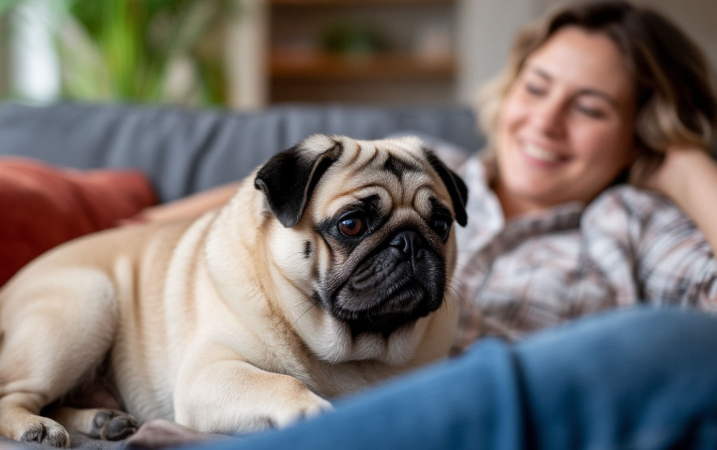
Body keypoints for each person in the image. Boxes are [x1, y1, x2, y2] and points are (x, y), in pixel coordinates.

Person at [124, 0, 717, 447]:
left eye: (589, 107)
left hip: (515, 409)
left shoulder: (639, 223)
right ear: (510, 88)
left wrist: (691, 172)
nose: (546, 121)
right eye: (536, 87)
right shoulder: (421, 166)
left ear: (644, 129)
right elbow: (231, 206)